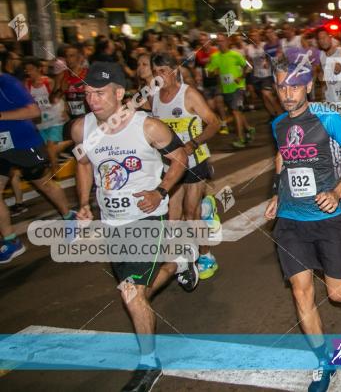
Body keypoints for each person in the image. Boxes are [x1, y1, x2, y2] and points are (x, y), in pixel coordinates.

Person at [71, 62, 197, 392]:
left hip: (146, 217)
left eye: (99, 92)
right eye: (87, 93)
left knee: (131, 292)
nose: (92, 99)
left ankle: (148, 363)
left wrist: (160, 192)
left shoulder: (148, 127)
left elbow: (181, 157)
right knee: (137, 289)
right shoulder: (81, 129)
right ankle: (177, 261)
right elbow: (83, 164)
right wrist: (84, 203)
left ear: (119, 93)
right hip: (112, 221)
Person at [264, 56, 341, 392]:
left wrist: (338, 192)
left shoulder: (326, 117)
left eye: (295, 86)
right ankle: (323, 363)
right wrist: (276, 194)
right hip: (291, 221)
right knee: (301, 291)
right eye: (282, 85)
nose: (288, 93)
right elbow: (282, 158)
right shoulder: (278, 123)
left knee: (338, 296)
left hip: (329, 218)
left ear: (309, 85)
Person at [151, 53, 222, 280]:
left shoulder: (188, 94)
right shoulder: (153, 97)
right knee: (172, 216)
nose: (158, 77)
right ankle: (177, 260)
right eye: (155, 72)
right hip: (170, 165)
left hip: (194, 161)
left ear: (174, 71)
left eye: (162, 71)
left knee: (191, 214)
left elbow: (214, 122)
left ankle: (206, 254)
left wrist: (193, 143)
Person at [0, 72, 77, 263]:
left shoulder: (7, 82)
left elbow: (34, 111)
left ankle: (70, 218)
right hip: (2, 148)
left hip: (24, 144)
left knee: (44, 184)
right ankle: (11, 241)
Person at [206, 33, 253, 148]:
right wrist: (212, 72)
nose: (220, 44)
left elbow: (249, 67)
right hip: (226, 89)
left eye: (222, 41)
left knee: (235, 111)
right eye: (218, 42)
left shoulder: (235, 55)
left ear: (227, 42)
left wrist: (240, 77)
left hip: (238, 87)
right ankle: (248, 129)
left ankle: (240, 139)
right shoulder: (215, 57)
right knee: (236, 111)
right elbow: (208, 72)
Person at [315, 27, 341, 106]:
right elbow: (323, 77)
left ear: (330, 37)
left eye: (324, 38)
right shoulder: (321, 56)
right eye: (320, 39)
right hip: (330, 99)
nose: (322, 41)